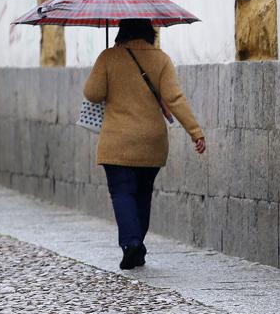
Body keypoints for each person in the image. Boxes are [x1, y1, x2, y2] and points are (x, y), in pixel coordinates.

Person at [82, 18, 206, 270]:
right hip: (152, 142)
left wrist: (106, 69)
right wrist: (195, 132)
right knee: (142, 192)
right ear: (150, 32)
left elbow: (92, 93)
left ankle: (131, 243)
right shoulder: (161, 59)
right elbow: (175, 98)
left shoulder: (108, 57)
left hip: (117, 142)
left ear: (122, 31)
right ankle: (136, 246)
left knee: (122, 191)